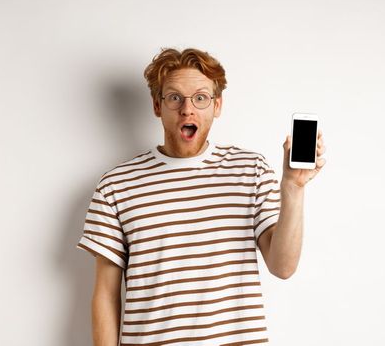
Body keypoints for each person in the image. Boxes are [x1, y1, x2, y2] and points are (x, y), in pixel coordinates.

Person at [76, 48, 326, 345]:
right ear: (157, 105)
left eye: (200, 98)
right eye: (174, 97)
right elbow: (105, 295)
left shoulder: (250, 170)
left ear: (217, 105)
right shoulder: (116, 184)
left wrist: (294, 188)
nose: (187, 109)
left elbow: (282, 267)